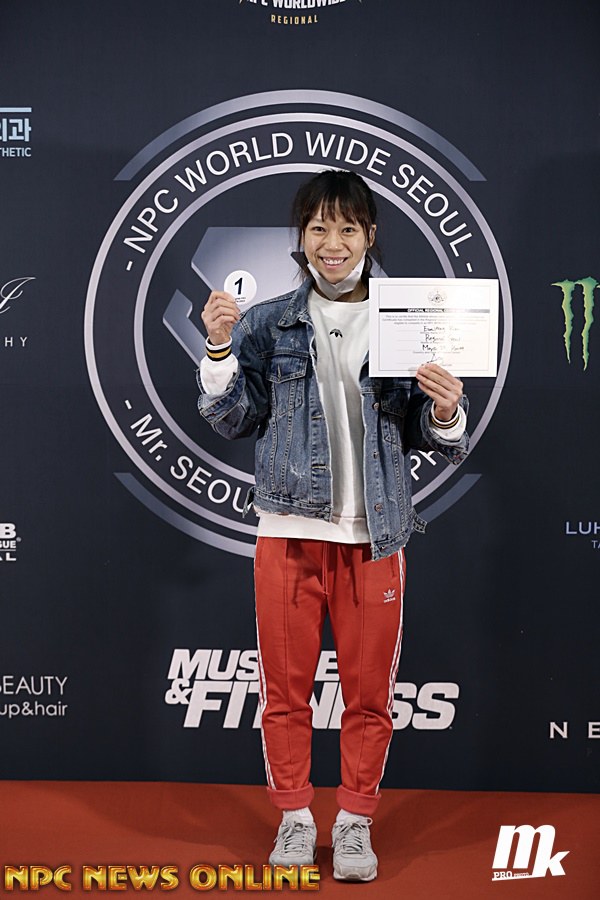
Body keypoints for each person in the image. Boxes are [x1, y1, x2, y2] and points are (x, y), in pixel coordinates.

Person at [197, 169, 468, 882]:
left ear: (369, 235)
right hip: (287, 534)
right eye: (319, 227)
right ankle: (294, 819)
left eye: (347, 227)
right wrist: (219, 352)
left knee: (369, 697)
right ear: (303, 237)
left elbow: (428, 431)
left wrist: (446, 409)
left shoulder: (409, 320)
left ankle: (353, 824)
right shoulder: (266, 323)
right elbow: (233, 419)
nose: (333, 242)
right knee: (284, 695)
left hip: (374, 539)